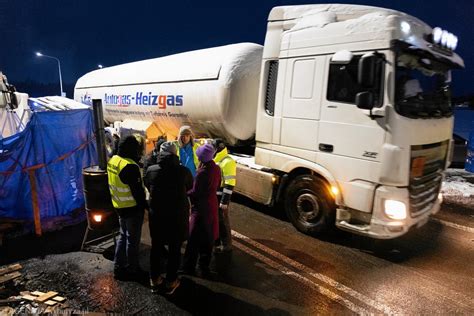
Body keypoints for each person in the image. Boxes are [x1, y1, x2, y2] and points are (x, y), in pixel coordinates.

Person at [144, 142, 193, 295]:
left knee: (156, 247)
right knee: (174, 249)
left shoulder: (151, 170)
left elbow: (147, 184)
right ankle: (171, 281)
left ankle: (155, 279)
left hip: (157, 216)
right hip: (177, 217)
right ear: (174, 153)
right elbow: (190, 186)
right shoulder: (183, 171)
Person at [107, 134, 147, 281]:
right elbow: (137, 192)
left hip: (119, 206)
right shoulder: (129, 166)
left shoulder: (113, 160)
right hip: (132, 208)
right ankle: (133, 269)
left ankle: (118, 267)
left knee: (123, 236)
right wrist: (145, 207)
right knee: (132, 240)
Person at [182, 143, 221, 276]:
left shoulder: (202, 173)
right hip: (212, 205)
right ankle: (204, 266)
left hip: (200, 208)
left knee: (193, 237)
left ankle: (188, 266)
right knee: (208, 236)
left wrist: (185, 192)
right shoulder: (216, 168)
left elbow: (195, 192)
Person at [212, 139, 236, 253]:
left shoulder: (227, 161)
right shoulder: (217, 159)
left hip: (221, 196)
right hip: (215, 195)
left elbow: (230, 183)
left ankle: (226, 245)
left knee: (222, 221)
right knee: (216, 220)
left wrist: (225, 201)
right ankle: (217, 243)